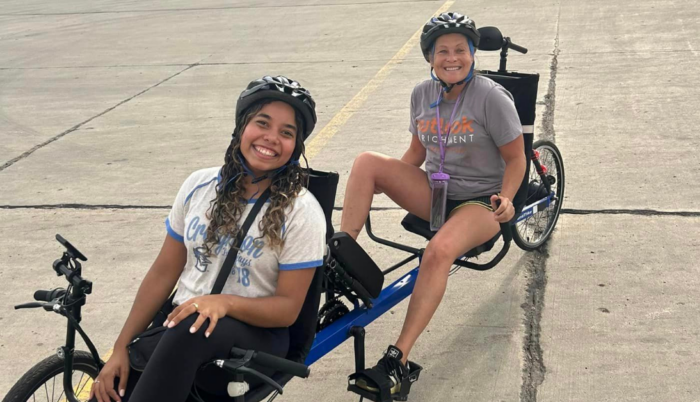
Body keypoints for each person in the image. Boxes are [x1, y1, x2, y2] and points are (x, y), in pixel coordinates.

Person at [90, 75, 326, 402]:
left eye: (287, 133)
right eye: (262, 123)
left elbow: (287, 310)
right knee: (112, 390)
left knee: (193, 326)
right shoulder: (199, 187)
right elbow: (162, 273)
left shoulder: (302, 211)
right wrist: (120, 349)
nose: (272, 138)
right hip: (182, 327)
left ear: (296, 146)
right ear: (241, 127)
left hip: (257, 337)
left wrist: (223, 302)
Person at [342, 12, 527, 396]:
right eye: (442, 50)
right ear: (430, 58)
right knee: (365, 162)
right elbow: (415, 152)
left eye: (461, 49)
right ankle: (342, 257)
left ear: (473, 54)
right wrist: (384, 179)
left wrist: (507, 199)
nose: (452, 57)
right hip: (437, 190)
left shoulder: (491, 97)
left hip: (480, 200)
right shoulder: (420, 95)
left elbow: (516, 159)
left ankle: (399, 359)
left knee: (438, 250)